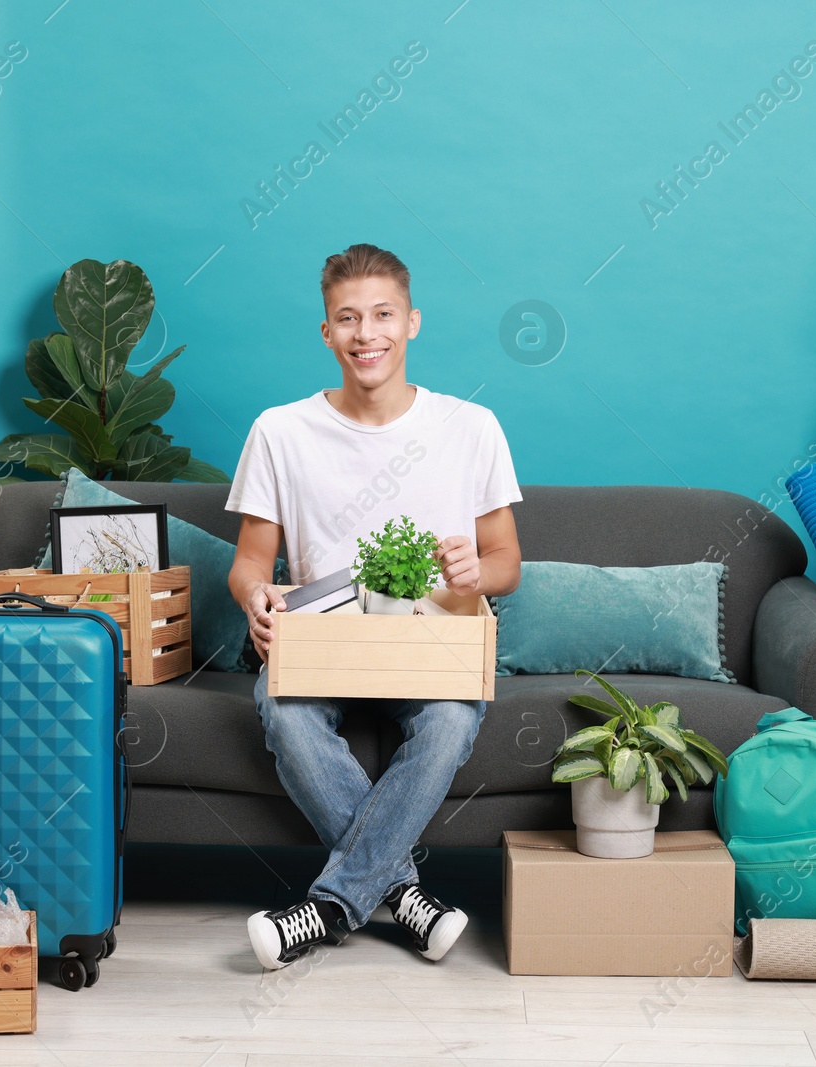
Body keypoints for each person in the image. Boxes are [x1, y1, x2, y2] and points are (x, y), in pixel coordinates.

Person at [226, 243, 522, 970]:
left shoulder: (471, 426)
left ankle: (328, 906)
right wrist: (257, 597)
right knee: (283, 710)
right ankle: (403, 894)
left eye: (383, 314)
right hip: (323, 644)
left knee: (453, 717)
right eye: (348, 318)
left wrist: (474, 572)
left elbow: (508, 563)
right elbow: (248, 567)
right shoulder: (279, 430)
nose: (368, 334)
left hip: (433, 643)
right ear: (326, 332)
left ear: (412, 321)